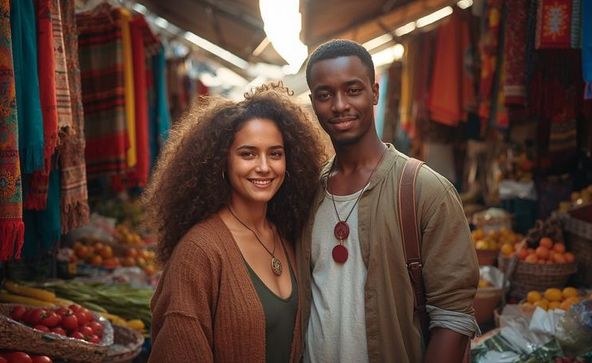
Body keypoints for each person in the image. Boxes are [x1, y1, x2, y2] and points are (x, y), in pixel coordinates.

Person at [298, 39, 480, 363]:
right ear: (313, 102)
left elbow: (453, 319)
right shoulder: (307, 193)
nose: (339, 105)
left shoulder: (426, 191)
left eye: (353, 90)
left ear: (375, 93)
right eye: (325, 95)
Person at [144, 83, 324, 362]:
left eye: (275, 153)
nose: (264, 166)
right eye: (248, 154)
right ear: (221, 161)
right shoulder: (199, 252)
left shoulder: (288, 236)